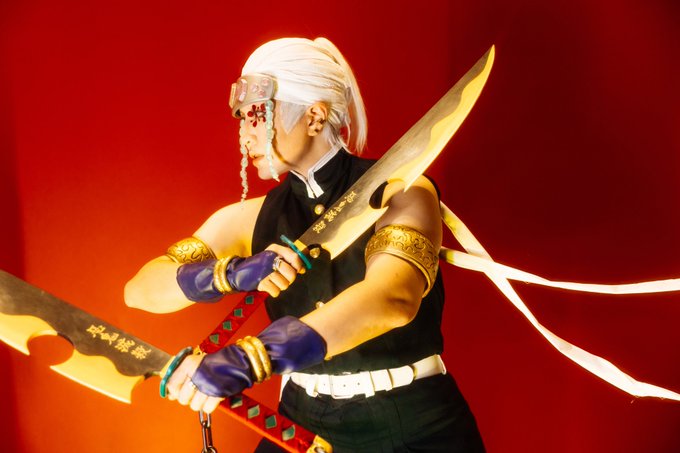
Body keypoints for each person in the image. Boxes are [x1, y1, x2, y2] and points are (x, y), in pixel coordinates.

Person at [125, 37, 485, 452]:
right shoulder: (248, 218)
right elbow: (141, 290)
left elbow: (391, 298)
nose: (245, 136)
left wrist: (251, 359)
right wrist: (229, 274)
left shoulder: (402, 191)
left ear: (314, 116)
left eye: (257, 116)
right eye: (241, 119)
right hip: (301, 420)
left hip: (411, 423)